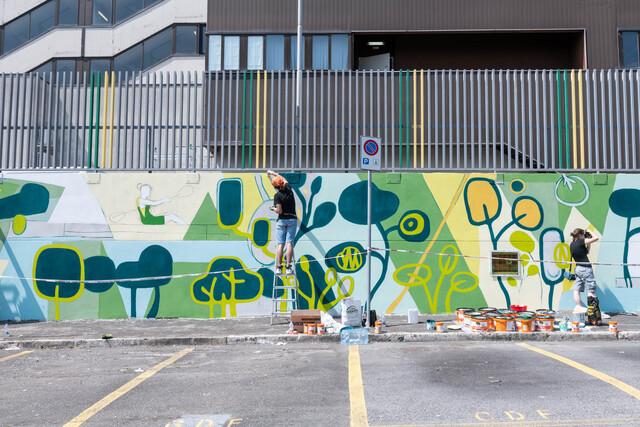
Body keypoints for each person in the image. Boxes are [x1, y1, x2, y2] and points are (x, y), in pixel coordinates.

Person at [267, 170, 298, 275]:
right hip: (292, 219)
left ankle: (279, 268)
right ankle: (288, 268)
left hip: (282, 220)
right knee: (289, 243)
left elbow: (279, 211)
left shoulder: (277, 196)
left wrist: (273, 208)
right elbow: (283, 179)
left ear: (275, 187)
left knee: (280, 244)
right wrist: (272, 173)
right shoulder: (289, 190)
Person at [570, 228, 600, 319]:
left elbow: (586, 252)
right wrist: (589, 231)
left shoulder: (572, 244)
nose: (584, 236)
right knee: (591, 289)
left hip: (578, 269)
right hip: (586, 268)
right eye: (583, 235)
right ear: (580, 235)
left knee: (577, 288)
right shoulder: (580, 241)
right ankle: (593, 313)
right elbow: (596, 238)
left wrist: (588, 242)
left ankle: (578, 306)